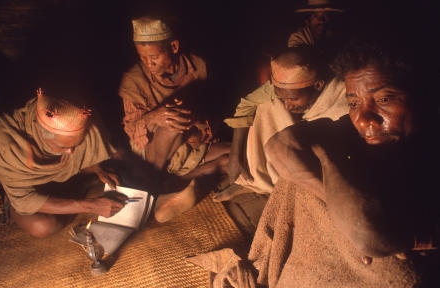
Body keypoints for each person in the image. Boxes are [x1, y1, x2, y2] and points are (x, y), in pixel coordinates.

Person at [257, 39, 438, 286]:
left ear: (423, 95)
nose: (363, 120)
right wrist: (337, 200)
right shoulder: (353, 128)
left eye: (385, 100)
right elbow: (280, 146)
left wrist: (369, 227)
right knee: (300, 183)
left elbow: (370, 236)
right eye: (353, 103)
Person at [119, 16, 230, 222]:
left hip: (187, 146)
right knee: (172, 120)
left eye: (154, 57)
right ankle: (151, 192)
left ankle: (176, 185)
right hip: (151, 153)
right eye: (142, 57)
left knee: (235, 156)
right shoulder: (134, 80)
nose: (148, 63)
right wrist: (154, 117)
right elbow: (131, 129)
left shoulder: (198, 66)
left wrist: (200, 129)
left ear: (174, 46)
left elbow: (212, 110)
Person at [0, 87, 125, 238]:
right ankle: (8, 208)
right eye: (63, 147)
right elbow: (24, 200)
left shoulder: (73, 111)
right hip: (14, 193)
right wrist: (91, 205)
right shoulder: (3, 145)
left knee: (118, 156)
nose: (71, 152)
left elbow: (82, 151)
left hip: (53, 179)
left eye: (75, 145)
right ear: (40, 133)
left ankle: (74, 187)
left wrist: (96, 168)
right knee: (43, 227)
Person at [221, 48, 348, 198]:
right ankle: (258, 181)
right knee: (268, 106)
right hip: (288, 149)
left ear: (318, 85)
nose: (287, 105)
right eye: (283, 98)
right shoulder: (284, 88)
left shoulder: (344, 98)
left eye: (293, 99)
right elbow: (246, 105)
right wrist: (235, 156)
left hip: (319, 165)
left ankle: (282, 190)